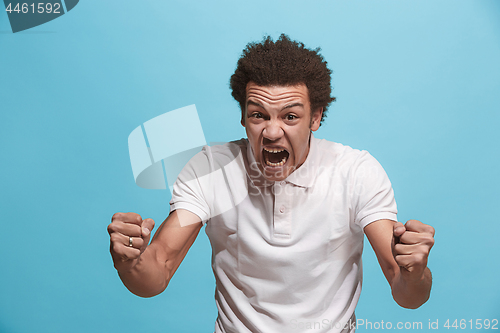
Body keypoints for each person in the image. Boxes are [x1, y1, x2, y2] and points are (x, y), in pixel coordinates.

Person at [107, 34, 435, 333]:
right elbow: (157, 271)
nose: (272, 131)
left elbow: (406, 293)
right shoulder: (210, 168)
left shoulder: (356, 171)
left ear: (316, 117)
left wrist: (414, 271)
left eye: (290, 116)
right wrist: (130, 263)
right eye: (258, 114)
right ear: (243, 116)